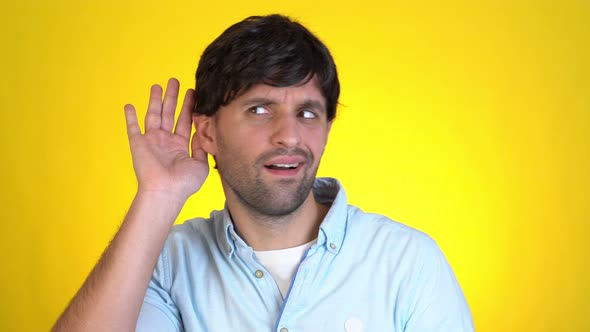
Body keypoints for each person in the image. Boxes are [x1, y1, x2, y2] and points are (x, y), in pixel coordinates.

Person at [53, 14, 473, 331]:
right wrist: (158, 197)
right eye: (259, 110)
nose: (288, 136)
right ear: (208, 132)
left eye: (307, 113)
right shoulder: (164, 264)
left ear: (326, 131)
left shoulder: (408, 262)